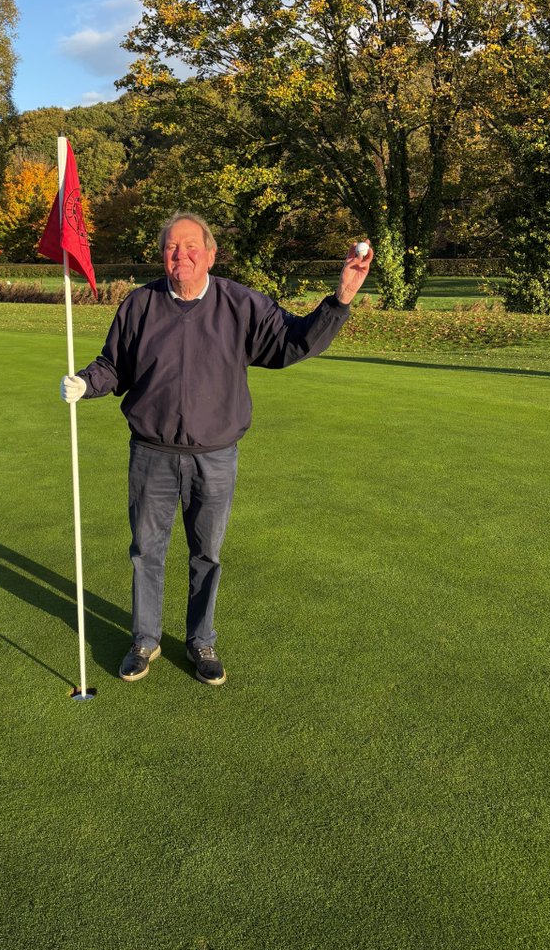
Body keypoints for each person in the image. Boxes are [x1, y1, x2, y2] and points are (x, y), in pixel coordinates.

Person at [60, 213, 373, 686]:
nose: (181, 255)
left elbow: (293, 342)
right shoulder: (140, 304)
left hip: (215, 456)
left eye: (191, 246)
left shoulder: (240, 303)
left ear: (210, 254)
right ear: (162, 256)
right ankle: (144, 640)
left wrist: (342, 296)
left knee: (206, 553)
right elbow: (114, 365)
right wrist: (86, 383)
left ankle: (200, 640)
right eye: (171, 247)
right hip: (151, 453)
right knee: (146, 551)